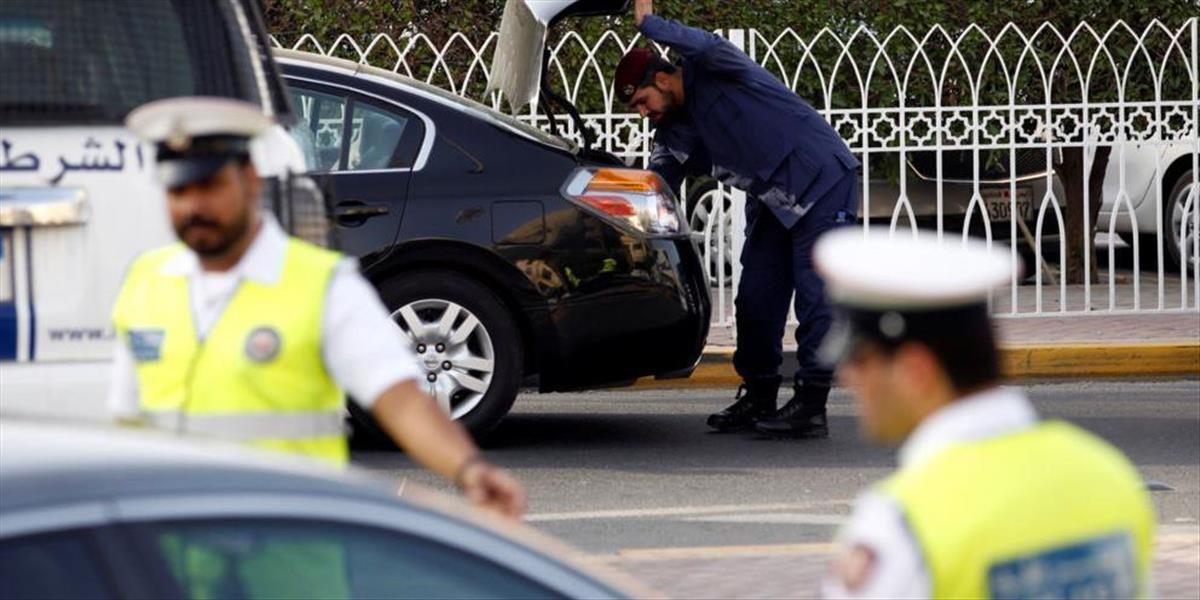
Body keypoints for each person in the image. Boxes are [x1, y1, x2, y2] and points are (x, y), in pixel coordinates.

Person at [108, 96, 525, 518]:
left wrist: (469, 470)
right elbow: (126, 429)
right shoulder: (146, 281)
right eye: (179, 190)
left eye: (210, 186)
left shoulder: (322, 285)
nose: (194, 206)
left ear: (251, 180)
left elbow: (399, 399)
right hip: (173, 561)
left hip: (288, 560)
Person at [815, 228, 1155, 599]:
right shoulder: (1110, 476)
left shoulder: (899, 527)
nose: (847, 378)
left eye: (861, 360)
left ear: (916, 371)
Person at [615, 0, 861, 438]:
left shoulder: (716, 67)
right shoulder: (672, 133)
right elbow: (655, 184)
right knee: (755, 299)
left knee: (814, 297)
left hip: (819, 179)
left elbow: (700, 42)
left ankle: (810, 403)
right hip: (772, 199)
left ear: (663, 78)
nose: (643, 112)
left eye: (642, 101)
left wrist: (648, 22)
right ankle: (760, 393)